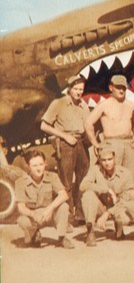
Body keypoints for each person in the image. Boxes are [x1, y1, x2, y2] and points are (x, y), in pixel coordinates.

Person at [40, 74, 90, 224]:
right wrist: (64, 136)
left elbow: (88, 125)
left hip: (81, 143)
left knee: (83, 179)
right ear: (69, 89)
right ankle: (66, 217)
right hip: (65, 144)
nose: (79, 92)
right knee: (66, 182)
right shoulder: (58, 103)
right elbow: (44, 126)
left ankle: (80, 214)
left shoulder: (84, 105)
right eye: (76, 89)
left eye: (81, 89)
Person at [79, 146, 134, 246]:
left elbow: (126, 199)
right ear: (99, 160)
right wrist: (105, 189)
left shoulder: (126, 173)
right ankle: (90, 230)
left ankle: (119, 226)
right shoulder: (95, 170)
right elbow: (83, 186)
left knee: (125, 217)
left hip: (118, 207)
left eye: (110, 159)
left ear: (115, 158)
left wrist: (107, 214)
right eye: (104, 160)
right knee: (88, 195)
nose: (107, 163)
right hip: (102, 206)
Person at [15, 150, 73, 248]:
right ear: (27, 166)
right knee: (22, 220)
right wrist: (33, 215)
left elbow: (64, 195)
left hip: (50, 214)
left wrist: (50, 208)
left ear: (45, 163)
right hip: (34, 217)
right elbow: (21, 207)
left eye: (41, 164)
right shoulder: (20, 182)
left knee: (64, 206)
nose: (39, 168)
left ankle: (62, 237)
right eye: (34, 166)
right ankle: (35, 234)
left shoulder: (52, 176)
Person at [85, 75, 134, 174]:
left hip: (129, 143)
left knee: (131, 174)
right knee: (112, 175)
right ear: (111, 87)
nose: (121, 91)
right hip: (111, 144)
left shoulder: (130, 105)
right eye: (118, 87)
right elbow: (88, 123)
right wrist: (96, 144)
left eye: (123, 88)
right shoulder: (104, 105)